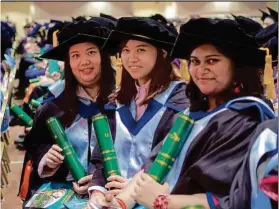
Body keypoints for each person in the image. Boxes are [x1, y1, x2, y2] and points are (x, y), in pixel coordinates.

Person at [103, 18, 276, 209]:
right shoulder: (191, 113)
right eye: (195, 61)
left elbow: (227, 199)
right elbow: (153, 167)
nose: (201, 70)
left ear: (236, 66)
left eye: (212, 60)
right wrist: (121, 202)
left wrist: (162, 202)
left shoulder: (244, 118)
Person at [87, 16, 190, 203]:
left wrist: (131, 188)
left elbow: (175, 162)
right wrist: (98, 191)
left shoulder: (181, 102)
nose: (131, 58)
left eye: (141, 50)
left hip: (155, 201)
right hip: (113, 199)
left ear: (163, 53)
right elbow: (100, 157)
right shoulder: (116, 102)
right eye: (125, 50)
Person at [18, 17, 116, 202]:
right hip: (64, 189)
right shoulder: (53, 105)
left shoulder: (122, 103)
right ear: (69, 64)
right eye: (75, 56)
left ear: (104, 56)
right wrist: (48, 159)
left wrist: (98, 183)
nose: (83, 61)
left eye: (91, 52)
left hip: (112, 192)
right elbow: (36, 146)